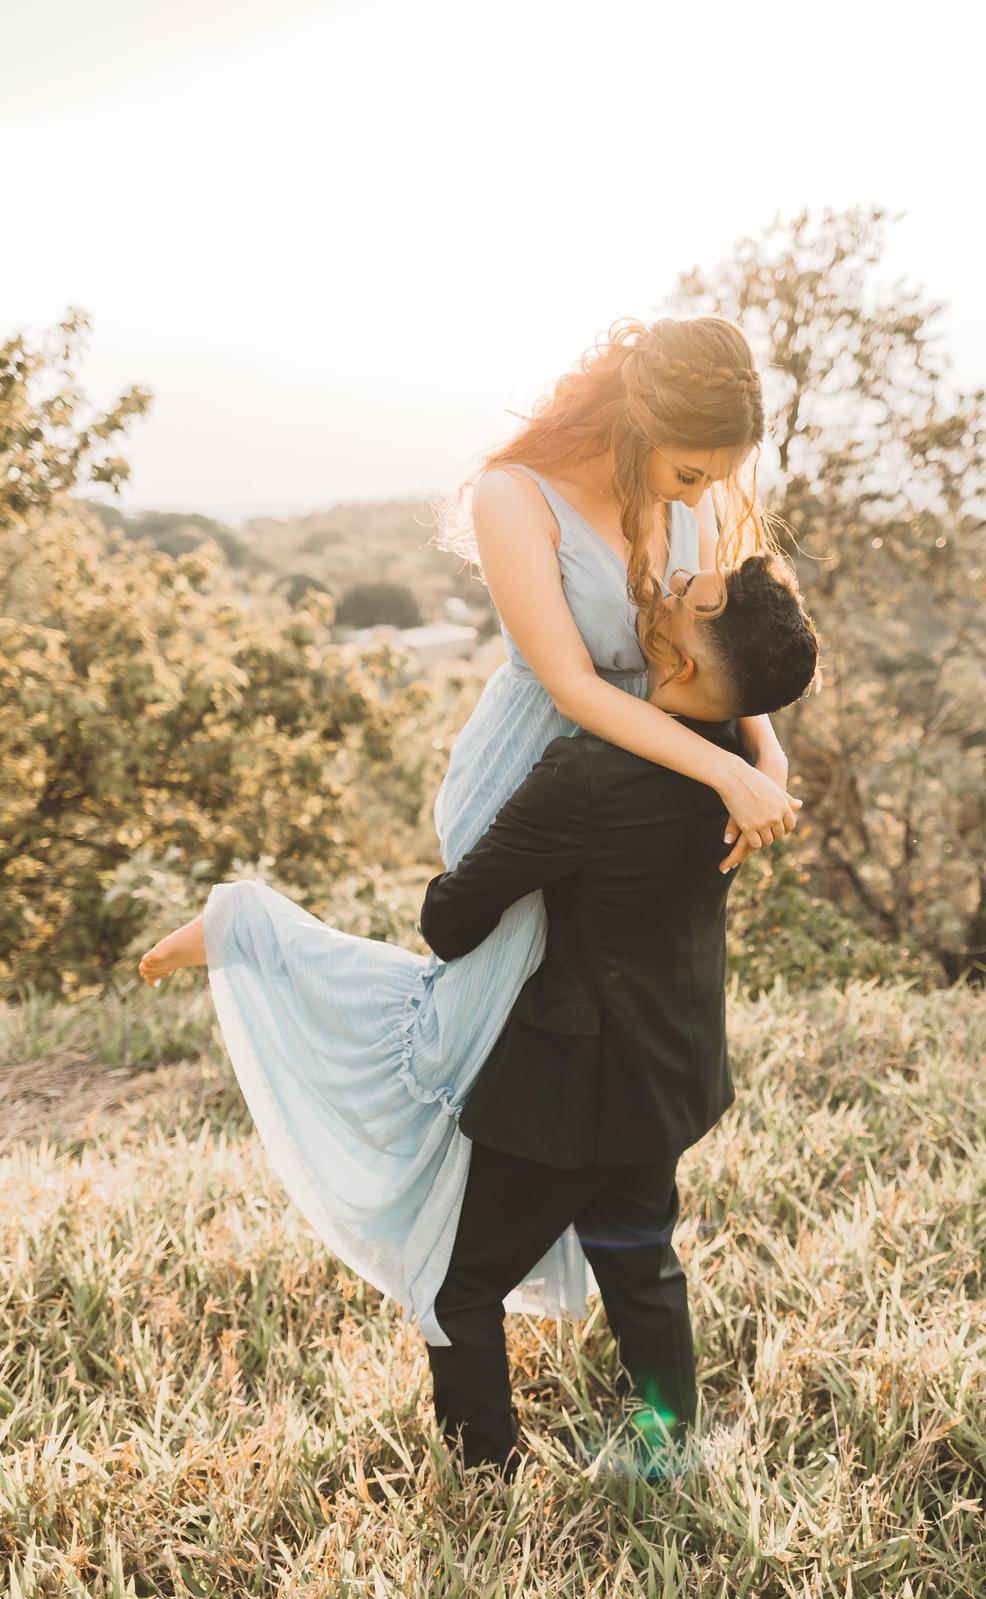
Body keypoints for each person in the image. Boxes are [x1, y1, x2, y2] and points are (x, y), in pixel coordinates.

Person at [138, 316, 795, 1341]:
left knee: (612, 1005)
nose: (702, 496)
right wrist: (721, 765)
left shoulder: (694, 491)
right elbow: (574, 684)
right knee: (486, 1018)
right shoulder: (513, 497)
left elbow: (729, 637)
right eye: (690, 470)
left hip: (658, 772)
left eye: (719, 475)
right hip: (553, 773)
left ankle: (608, 1237)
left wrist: (767, 751)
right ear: (638, 421)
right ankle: (258, 939)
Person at [417, 554, 819, 1470]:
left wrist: (467, 849)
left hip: (569, 1084)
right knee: (639, 1256)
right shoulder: (738, 764)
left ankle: (485, 1476)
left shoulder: (587, 774)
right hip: (669, 1064)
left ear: (674, 665)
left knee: (461, 1286)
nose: (668, 590)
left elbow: (450, 921)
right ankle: (669, 1439)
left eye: (687, 600)